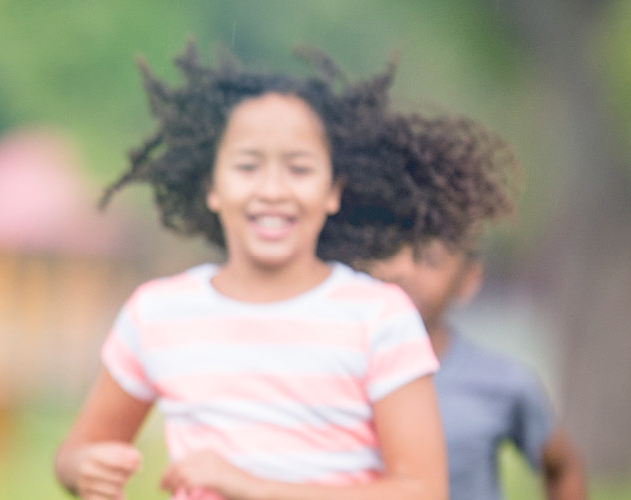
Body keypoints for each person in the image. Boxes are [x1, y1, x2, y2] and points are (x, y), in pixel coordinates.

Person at [55, 41, 506, 500]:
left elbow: (422, 491)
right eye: (248, 166)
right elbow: (77, 452)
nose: (272, 189)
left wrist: (252, 488)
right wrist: (84, 468)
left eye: (299, 168)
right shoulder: (157, 314)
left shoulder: (379, 317)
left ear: (333, 191)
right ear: (212, 187)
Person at [367, 238, 587, 500]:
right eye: (389, 253)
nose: (406, 273)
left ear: (468, 279)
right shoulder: (338, 370)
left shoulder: (502, 380)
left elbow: (562, 467)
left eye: (430, 261)